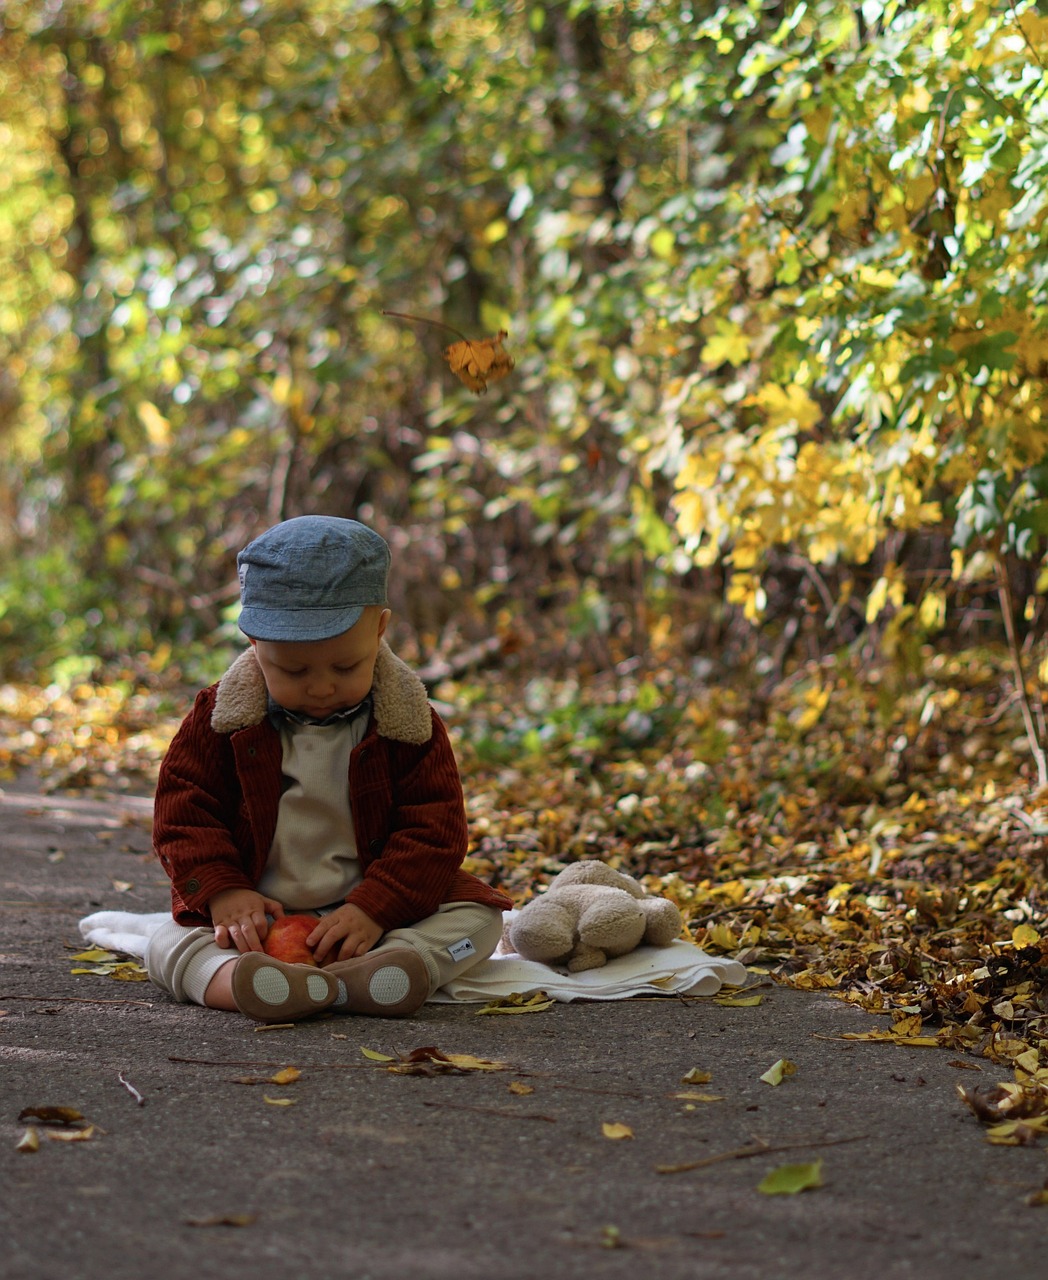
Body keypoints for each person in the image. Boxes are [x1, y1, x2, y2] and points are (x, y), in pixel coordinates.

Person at [145, 515, 512, 1023]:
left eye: (345, 667)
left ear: (379, 628)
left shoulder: (406, 724)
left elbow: (434, 831)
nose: (320, 688)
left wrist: (374, 907)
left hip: (370, 913)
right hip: (258, 910)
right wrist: (225, 892)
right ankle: (241, 983)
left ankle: (385, 970)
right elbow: (184, 811)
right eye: (293, 671)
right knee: (166, 941)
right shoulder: (222, 721)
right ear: (254, 644)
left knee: (481, 920)